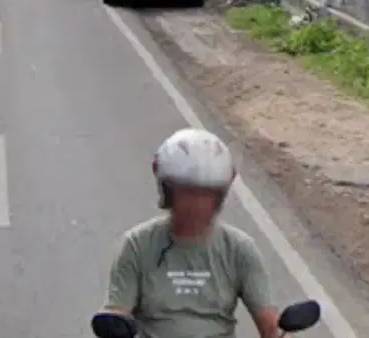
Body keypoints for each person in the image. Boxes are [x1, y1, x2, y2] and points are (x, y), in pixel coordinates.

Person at [102, 128, 279, 338]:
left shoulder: (239, 250)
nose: (197, 204)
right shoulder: (137, 246)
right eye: (188, 193)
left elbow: (270, 325)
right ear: (168, 192)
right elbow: (117, 313)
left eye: (207, 194)